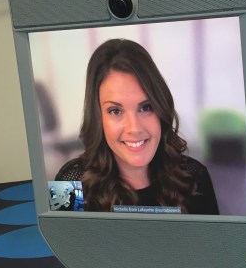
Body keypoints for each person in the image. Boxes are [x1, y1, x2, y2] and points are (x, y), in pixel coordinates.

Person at [55, 38, 219, 215]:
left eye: (146, 107)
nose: (134, 128)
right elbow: (54, 235)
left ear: (160, 109)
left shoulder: (196, 177)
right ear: (98, 117)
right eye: (115, 111)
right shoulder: (67, 183)